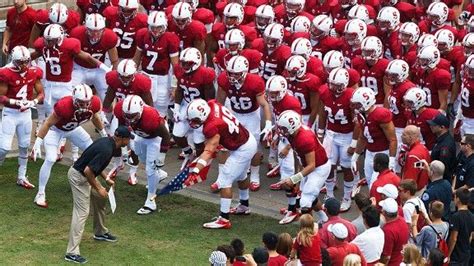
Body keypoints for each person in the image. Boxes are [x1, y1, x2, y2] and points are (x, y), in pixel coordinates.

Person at [184, 99, 257, 229]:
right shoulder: (212, 104)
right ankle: (244, 206)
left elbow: (209, 150)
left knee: (224, 181)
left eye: (195, 120)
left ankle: (224, 219)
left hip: (242, 148)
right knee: (241, 176)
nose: (193, 123)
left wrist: (196, 170)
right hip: (246, 139)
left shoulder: (211, 125)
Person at [64, 126, 133, 264]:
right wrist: (99, 187)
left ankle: (100, 232)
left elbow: (95, 165)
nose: (129, 142)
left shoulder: (108, 143)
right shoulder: (107, 149)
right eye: (128, 139)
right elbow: (88, 171)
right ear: (122, 139)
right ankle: (71, 253)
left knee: (100, 199)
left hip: (84, 176)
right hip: (79, 178)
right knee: (82, 212)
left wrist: (106, 178)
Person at [31, 84, 106, 208]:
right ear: (74, 100)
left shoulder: (94, 103)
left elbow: (95, 117)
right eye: (81, 103)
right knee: (50, 158)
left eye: (87, 103)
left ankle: (95, 184)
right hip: (55, 131)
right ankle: (40, 193)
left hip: (73, 129)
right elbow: (48, 123)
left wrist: (103, 134)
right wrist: (38, 142)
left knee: (93, 151)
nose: (85, 106)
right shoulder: (64, 106)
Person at [216, 55, 272, 192]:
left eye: (236, 74)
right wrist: (218, 120)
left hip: (251, 115)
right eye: (230, 73)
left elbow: (264, 104)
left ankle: (254, 176)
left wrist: (268, 123)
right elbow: (220, 101)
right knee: (224, 146)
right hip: (234, 114)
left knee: (254, 148)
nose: (232, 76)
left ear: (245, 72)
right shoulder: (224, 79)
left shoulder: (255, 82)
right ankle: (221, 177)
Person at [114, 95, 170, 214]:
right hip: (140, 135)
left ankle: (150, 202)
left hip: (156, 138)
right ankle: (159, 175)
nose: (130, 119)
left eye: (132, 116)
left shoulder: (150, 117)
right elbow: (122, 127)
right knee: (141, 158)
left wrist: (162, 155)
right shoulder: (120, 109)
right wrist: (123, 147)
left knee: (150, 168)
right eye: (127, 116)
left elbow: (165, 136)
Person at [276, 109, 331, 223]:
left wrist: (294, 178)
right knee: (309, 195)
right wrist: (296, 176)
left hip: (319, 168)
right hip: (309, 167)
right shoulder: (293, 134)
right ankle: (325, 219)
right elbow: (298, 156)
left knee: (305, 202)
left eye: (284, 128)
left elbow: (312, 165)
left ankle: (309, 233)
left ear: (291, 126)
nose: (281, 130)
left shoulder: (304, 138)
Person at [0, 46, 43, 188]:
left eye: (26, 61)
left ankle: (22, 176)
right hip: (10, 113)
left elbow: (41, 93)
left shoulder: (34, 71)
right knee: (4, 148)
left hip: (25, 114)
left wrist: (34, 101)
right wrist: (16, 102)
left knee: (24, 146)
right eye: (21, 62)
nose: (24, 65)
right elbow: (1, 97)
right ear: (14, 60)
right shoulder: (6, 72)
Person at [133, 10, 180, 115]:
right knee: (143, 107)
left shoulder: (170, 38)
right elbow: (136, 58)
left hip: (162, 78)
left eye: (158, 27)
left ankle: (162, 128)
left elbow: (175, 65)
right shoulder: (142, 34)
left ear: (164, 26)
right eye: (153, 27)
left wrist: (174, 86)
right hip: (145, 75)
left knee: (161, 110)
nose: (155, 30)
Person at [350, 87, 397, 188]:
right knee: (369, 181)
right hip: (369, 153)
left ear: (366, 102)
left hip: (382, 153)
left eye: (358, 104)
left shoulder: (380, 114)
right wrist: (355, 156)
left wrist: (391, 159)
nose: (355, 107)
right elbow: (363, 137)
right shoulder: (361, 115)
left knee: (376, 185)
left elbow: (392, 139)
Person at [379, 197, 410, 265]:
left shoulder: (388, 230)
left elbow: (386, 256)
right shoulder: (402, 220)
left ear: (383, 212)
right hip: (401, 259)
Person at [447, 188, 474, 265]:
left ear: (458, 199)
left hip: (456, 256)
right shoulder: (472, 216)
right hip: (466, 254)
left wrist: (448, 255)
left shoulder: (456, 216)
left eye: (454, 197)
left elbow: (454, 238)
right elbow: (471, 236)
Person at [400, 125, 431, 190]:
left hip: (414, 191)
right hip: (423, 186)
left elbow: (410, 180)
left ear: (410, 137)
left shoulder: (413, 155)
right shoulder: (423, 148)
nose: (401, 136)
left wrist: (405, 190)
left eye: (404, 135)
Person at [428, 114, 457, 182]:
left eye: (434, 125)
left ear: (442, 127)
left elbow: (443, 168)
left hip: (440, 181)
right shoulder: (441, 139)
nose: (431, 126)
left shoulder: (446, 145)